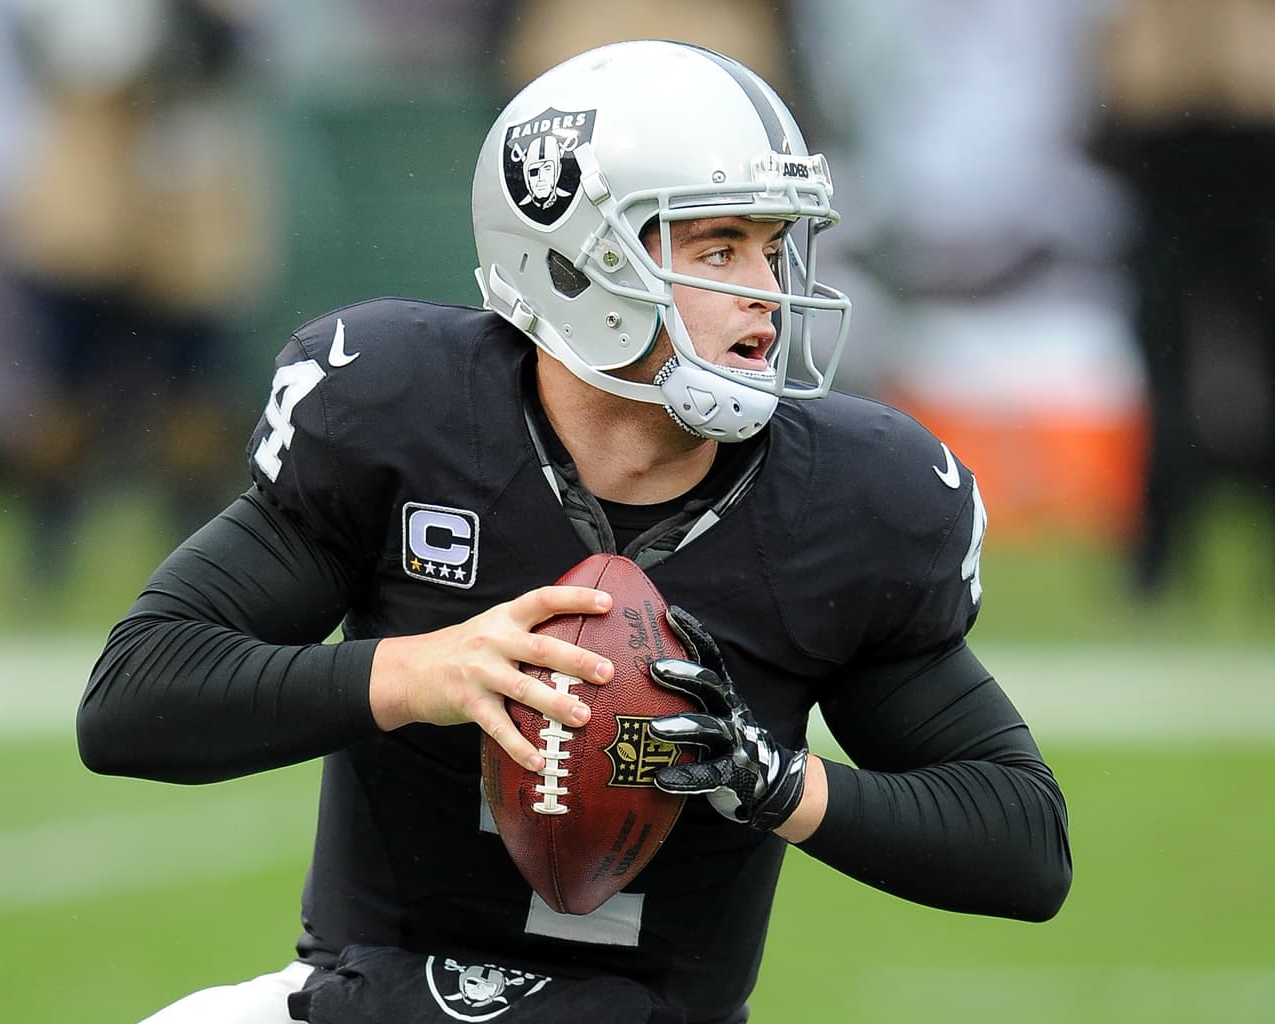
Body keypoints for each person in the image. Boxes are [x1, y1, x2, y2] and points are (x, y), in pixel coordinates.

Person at [78, 40, 1072, 1024]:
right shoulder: (400, 413)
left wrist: (770, 779)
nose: (765, 293)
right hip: (368, 998)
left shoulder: (849, 500)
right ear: (574, 260)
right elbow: (132, 697)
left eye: (774, 249)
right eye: (718, 248)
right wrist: (421, 673)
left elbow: (1025, 844)